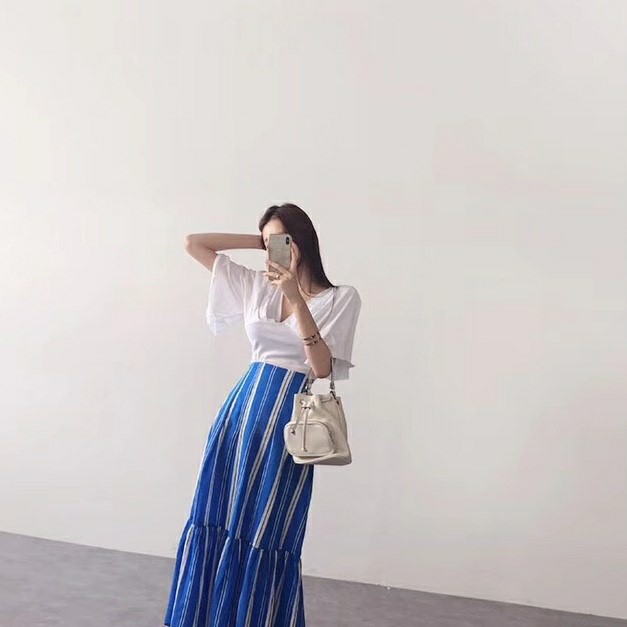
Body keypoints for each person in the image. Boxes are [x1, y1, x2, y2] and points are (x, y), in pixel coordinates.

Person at [163, 203, 362, 627]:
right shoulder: (257, 286)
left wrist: (295, 297)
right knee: (216, 515)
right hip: (239, 417)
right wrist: (260, 243)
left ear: (303, 241)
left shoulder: (341, 298)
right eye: (270, 242)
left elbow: (321, 369)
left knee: (269, 528)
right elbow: (194, 243)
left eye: (283, 240)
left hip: (287, 424)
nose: (275, 249)